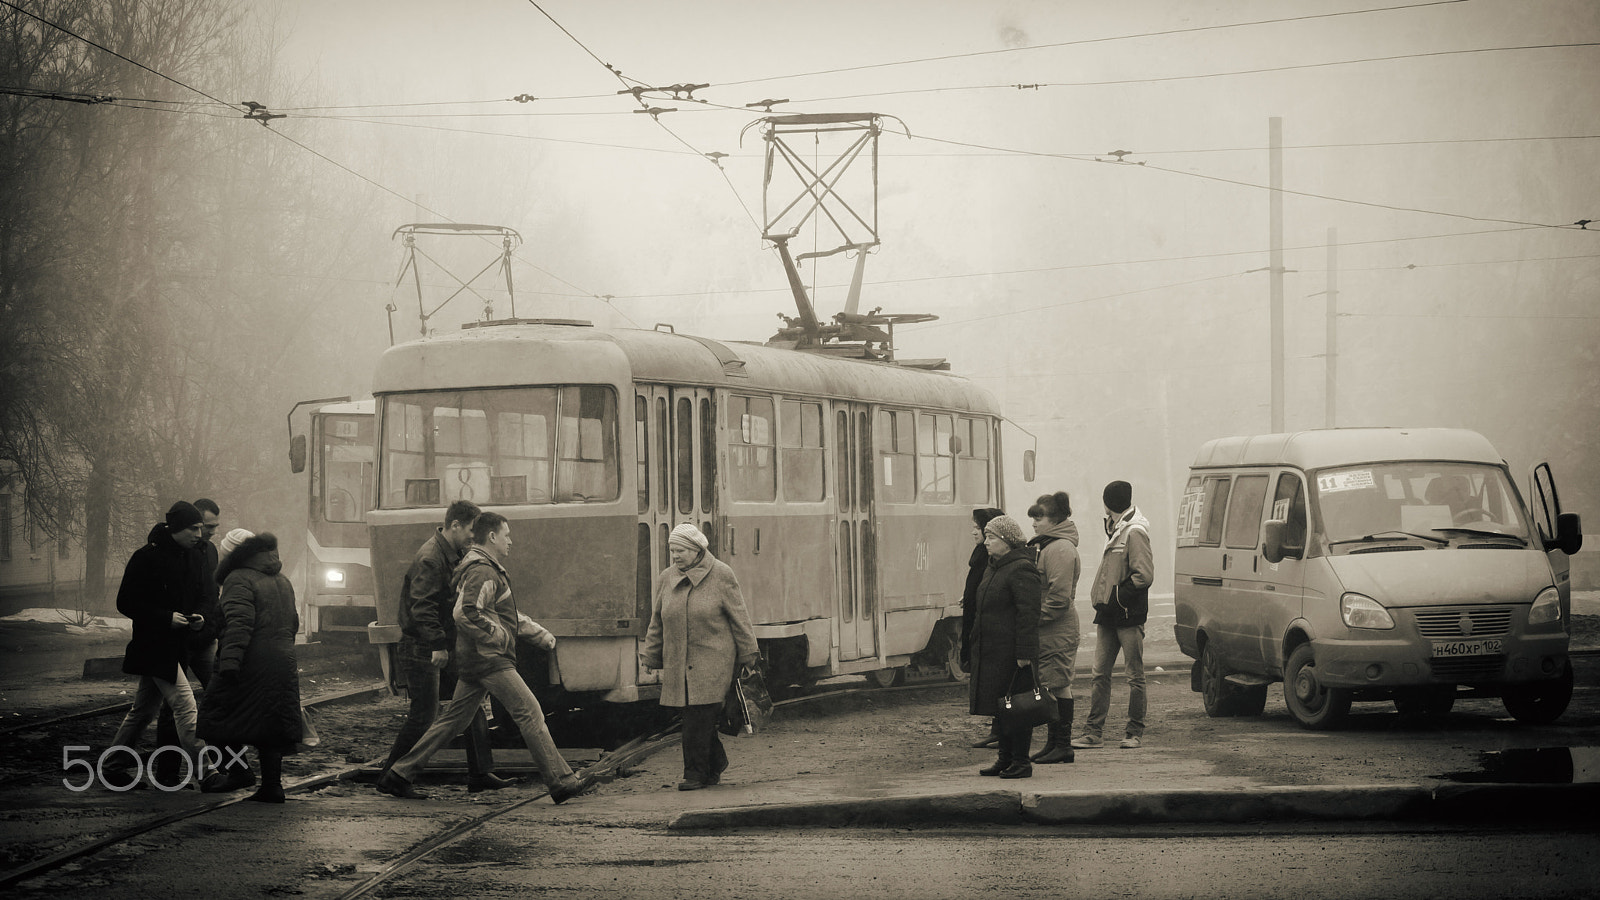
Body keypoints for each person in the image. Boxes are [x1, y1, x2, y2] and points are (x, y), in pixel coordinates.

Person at [377, 512, 587, 804]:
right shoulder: (482, 571)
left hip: (475, 659)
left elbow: (503, 614)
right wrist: (498, 637)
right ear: (492, 537)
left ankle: (398, 774)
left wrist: (538, 634)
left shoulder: (483, 568)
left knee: (452, 721)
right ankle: (561, 782)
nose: (510, 541)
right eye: (507, 535)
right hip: (489, 659)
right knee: (530, 714)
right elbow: (466, 612)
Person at [378, 500, 515, 793]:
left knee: (472, 704)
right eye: (469, 530)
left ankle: (480, 773)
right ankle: (392, 776)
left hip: (444, 644)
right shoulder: (431, 557)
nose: (472, 536)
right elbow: (422, 607)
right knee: (424, 715)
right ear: (454, 526)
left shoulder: (452, 552)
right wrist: (437, 645)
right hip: (423, 646)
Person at [640, 523, 760, 791]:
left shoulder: (721, 574)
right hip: (678, 661)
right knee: (693, 717)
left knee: (698, 718)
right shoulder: (666, 578)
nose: (675, 556)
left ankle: (694, 774)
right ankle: (715, 765)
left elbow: (739, 617)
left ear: (696, 550)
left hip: (713, 661)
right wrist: (650, 654)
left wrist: (749, 653)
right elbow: (657, 620)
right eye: (672, 551)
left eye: (680, 550)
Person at [106, 501, 212, 789]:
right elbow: (125, 602)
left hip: (177, 646)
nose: (199, 534)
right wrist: (166, 618)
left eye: (201, 528)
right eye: (194, 528)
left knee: (142, 711)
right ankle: (207, 772)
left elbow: (203, 595)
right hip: (154, 646)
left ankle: (112, 766)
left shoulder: (192, 557)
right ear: (176, 528)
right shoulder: (146, 558)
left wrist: (200, 616)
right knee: (185, 705)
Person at [197, 531, 303, 802]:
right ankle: (272, 786)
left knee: (213, 719)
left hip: (249, 661)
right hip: (281, 660)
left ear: (232, 556)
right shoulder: (281, 578)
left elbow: (239, 624)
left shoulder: (238, 579)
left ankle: (238, 771)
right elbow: (293, 622)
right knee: (270, 724)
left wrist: (230, 665)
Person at [1072, 481, 1155, 750]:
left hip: (1126, 614)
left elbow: (1143, 576)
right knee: (1100, 674)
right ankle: (1093, 732)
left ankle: (1133, 732)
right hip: (1110, 613)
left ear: (1107, 502)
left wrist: (1116, 597)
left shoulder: (1134, 531)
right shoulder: (1118, 528)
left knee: (1133, 675)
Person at [968, 514, 1044, 779]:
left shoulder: (1021, 568)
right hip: (993, 651)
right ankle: (1004, 759)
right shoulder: (995, 566)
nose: (986, 542)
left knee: (1018, 709)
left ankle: (1021, 762)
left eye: (992, 538)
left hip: (1012, 653)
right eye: (986, 536)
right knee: (1002, 708)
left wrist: (1024, 653)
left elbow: (1028, 615)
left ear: (1008, 541)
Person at [153, 497, 223, 785]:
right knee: (174, 708)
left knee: (219, 698)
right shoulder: (171, 554)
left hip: (203, 639)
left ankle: (226, 763)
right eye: (204, 527)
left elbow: (211, 594)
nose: (207, 533)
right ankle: (169, 769)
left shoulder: (209, 553)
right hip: (178, 640)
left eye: (212, 527)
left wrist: (207, 624)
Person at [1027, 492, 1081, 764]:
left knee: (1058, 685)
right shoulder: (1050, 545)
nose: (1034, 524)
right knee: (1053, 686)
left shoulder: (1059, 549)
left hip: (1056, 630)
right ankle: (1054, 744)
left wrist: (1031, 619)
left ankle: (1063, 745)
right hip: (1051, 631)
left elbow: (1059, 599)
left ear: (1055, 520)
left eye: (1039, 518)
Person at [962, 507, 1006, 749]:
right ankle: (997, 728)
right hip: (979, 623)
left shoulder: (990, 558)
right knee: (992, 681)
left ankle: (1002, 730)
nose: (974, 533)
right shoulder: (981, 554)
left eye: (977, 528)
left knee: (997, 681)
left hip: (987, 626)